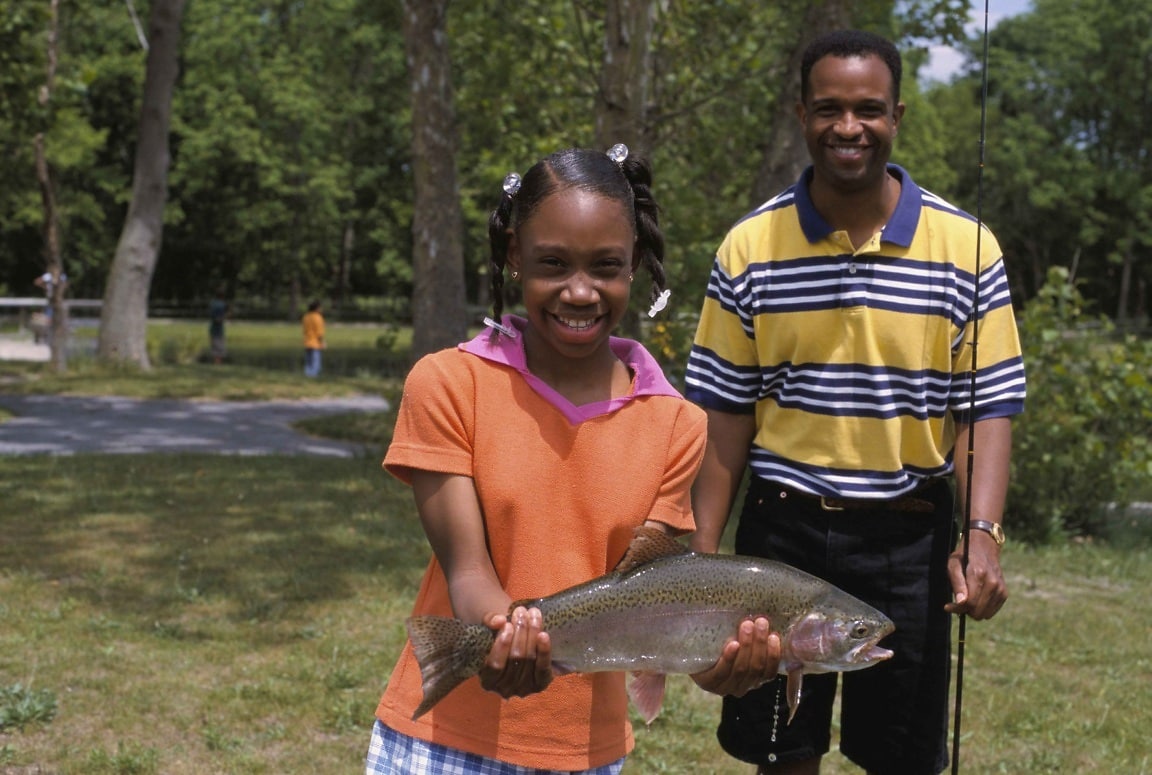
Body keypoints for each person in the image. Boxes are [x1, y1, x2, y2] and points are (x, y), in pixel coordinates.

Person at [367, 145, 780, 775]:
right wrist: (501, 635)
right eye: (552, 264)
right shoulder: (448, 383)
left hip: (583, 753)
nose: (580, 291)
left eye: (606, 267)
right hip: (439, 741)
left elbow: (653, 593)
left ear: (635, 264)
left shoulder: (677, 424)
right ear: (513, 257)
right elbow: (467, 571)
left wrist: (715, 666)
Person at [684, 30, 1026, 775]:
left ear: (896, 114)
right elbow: (723, 416)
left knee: (902, 756)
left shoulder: (966, 246)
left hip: (909, 536)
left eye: (868, 109)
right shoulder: (750, 246)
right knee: (782, 750)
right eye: (829, 108)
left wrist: (983, 532)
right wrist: (700, 553)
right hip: (780, 535)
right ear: (801, 112)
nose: (849, 127)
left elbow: (985, 409)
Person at [301, 300, 326, 377]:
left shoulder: (306, 316)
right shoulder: (318, 317)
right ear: (317, 308)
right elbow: (319, 332)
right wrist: (322, 342)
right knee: (315, 362)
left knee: (308, 361)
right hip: (315, 342)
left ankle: (308, 375)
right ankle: (314, 376)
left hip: (307, 341)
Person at [208, 287, 229, 364]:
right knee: (219, 349)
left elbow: (212, 316)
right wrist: (226, 315)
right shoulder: (222, 305)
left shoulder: (213, 303)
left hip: (213, 329)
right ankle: (218, 364)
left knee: (215, 349)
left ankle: (217, 364)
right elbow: (218, 319)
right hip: (218, 330)